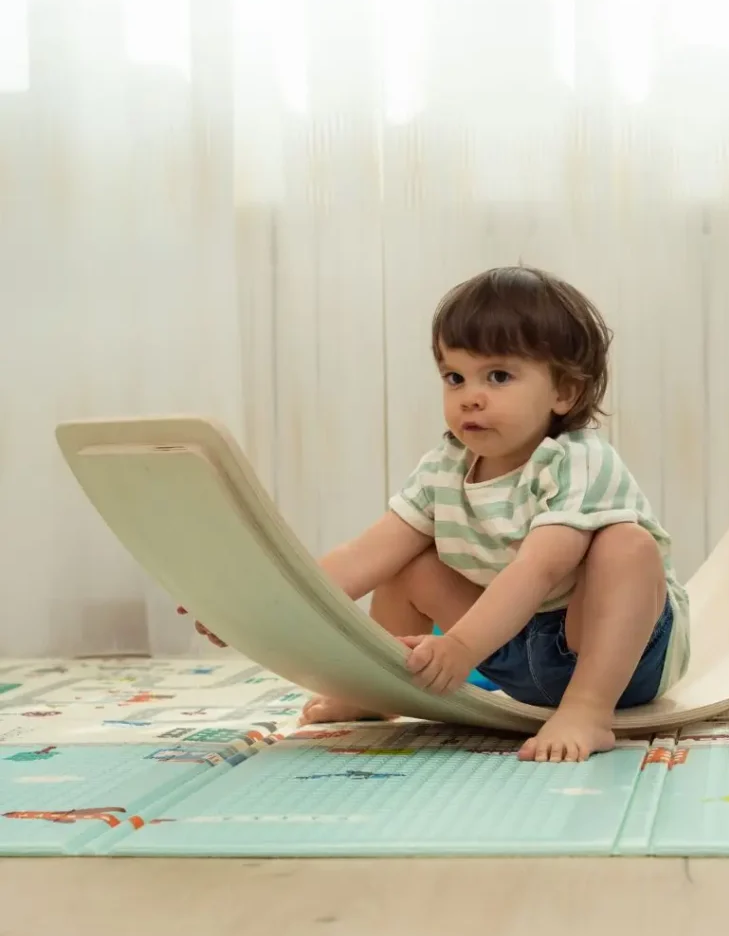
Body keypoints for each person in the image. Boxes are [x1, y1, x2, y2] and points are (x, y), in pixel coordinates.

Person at [185, 266, 689, 762]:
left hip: (617, 655)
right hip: (512, 648)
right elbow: (363, 557)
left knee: (626, 545)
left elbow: (540, 570)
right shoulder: (444, 469)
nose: (470, 396)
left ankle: (586, 710)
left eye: (498, 376)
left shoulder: (580, 461)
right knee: (406, 563)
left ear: (565, 392)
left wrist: (462, 647)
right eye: (454, 377)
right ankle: (374, 693)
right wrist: (255, 611)